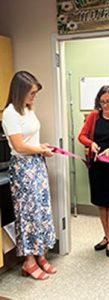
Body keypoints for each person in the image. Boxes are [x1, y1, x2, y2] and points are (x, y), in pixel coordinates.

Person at [2, 71, 57, 280]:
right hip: (23, 169)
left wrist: (42, 148)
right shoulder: (9, 113)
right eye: (31, 93)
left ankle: (40, 255)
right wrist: (40, 149)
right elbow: (18, 145)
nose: (34, 97)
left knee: (41, 212)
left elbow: (32, 140)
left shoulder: (28, 109)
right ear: (20, 91)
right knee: (27, 215)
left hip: (37, 165)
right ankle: (28, 261)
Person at [78, 85, 109, 257]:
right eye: (102, 101)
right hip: (97, 165)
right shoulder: (93, 116)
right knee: (101, 202)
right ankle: (106, 236)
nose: (105, 105)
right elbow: (81, 136)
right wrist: (90, 143)